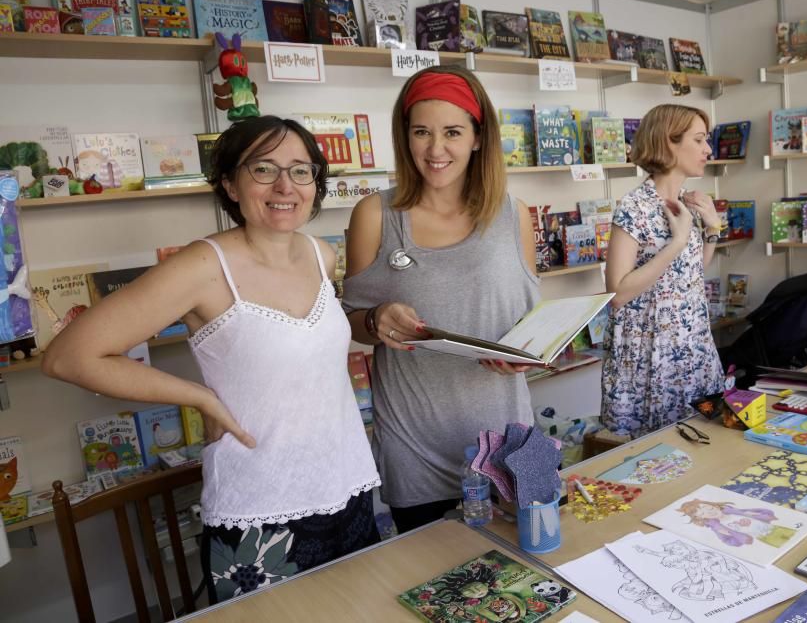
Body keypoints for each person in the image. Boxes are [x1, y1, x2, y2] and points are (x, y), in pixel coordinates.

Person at [41, 116, 381, 602]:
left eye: (301, 171)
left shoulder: (319, 254)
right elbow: (68, 357)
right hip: (261, 511)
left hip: (347, 487)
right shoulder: (202, 267)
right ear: (230, 183)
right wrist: (199, 396)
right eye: (263, 169)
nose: (285, 185)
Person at [341, 65, 539, 533]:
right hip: (415, 448)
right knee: (432, 591)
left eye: (452, 132)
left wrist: (526, 355)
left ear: (477, 137)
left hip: (508, 441)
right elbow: (348, 321)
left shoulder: (515, 216)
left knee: (528, 580)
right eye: (421, 132)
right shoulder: (375, 215)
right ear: (404, 137)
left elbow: (533, 324)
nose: (435, 149)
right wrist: (375, 319)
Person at [602, 104, 725, 435]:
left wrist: (712, 229)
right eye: (699, 140)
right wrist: (677, 242)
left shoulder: (689, 203)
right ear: (669, 143)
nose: (707, 149)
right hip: (651, 360)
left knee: (708, 446)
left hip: (694, 352)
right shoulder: (634, 208)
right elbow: (617, 293)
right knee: (655, 464)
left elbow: (689, 276)